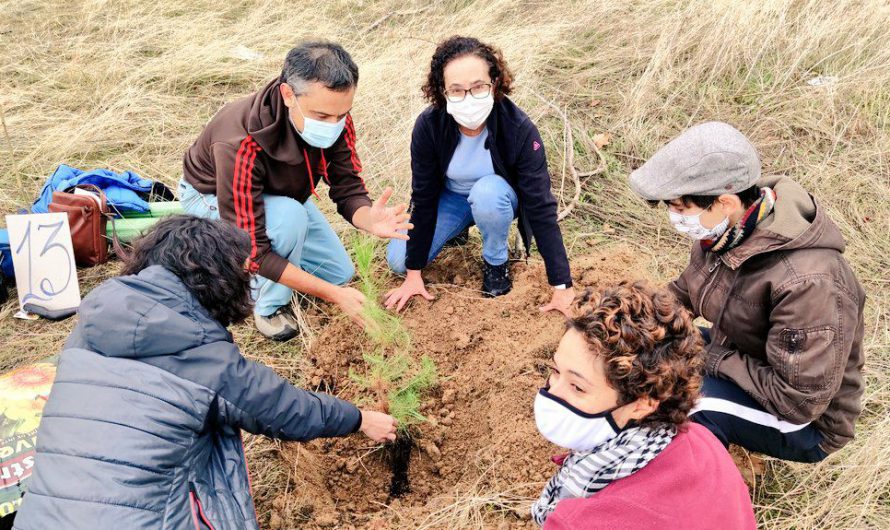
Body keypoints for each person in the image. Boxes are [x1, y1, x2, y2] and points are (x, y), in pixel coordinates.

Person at [12, 216, 397, 530]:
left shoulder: (93, 325)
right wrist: (360, 418)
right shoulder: (199, 351)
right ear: (217, 280)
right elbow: (282, 408)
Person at [629, 121, 866, 463]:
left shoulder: (808, 282)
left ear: (725, 202)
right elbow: (682, 294)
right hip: (748, 360)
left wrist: (707, 359)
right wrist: (634, 322)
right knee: (655, 347)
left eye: (681, 208)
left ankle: (696, 492)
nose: (674, 217)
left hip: (807, 423)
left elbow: (798, 401)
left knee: (687, 405)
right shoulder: (727, 233)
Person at [180, 41, 412, 341]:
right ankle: (266, 306)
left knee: (339, 273)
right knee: (290, 220)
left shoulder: (334, 113)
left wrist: (369, 218)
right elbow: (252, 250)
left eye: (342, 114)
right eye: (323, 117)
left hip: (283, 196)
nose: (334, 124)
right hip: (212, 195)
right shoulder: (240, 140)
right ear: (288, 94)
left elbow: (346, 184)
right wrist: (333, 296)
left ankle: (287, 258)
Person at [532, 281, 755, 529]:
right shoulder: (703, 441)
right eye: (555, 370)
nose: (552, 392)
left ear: (642, 404)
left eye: (578, 386)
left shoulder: (580, 522)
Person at [384, 36, 574, 313]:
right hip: (452, 196)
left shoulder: (519, 128)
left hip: (496, 197)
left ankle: (496, 263)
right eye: (457, 90)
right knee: (399, 261)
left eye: (478, 87)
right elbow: (423, 197)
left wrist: (562, 285)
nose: (469, 98)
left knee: (487, 194)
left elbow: (540, 205)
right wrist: (414, 274)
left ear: (494, 83)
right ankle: (456, 229)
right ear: (442, 90)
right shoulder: (429, 126)